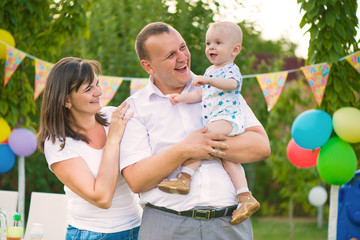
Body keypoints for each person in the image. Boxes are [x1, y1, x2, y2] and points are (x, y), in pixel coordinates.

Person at [120, 22, 270, 240]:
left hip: (229, 224)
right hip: (167, 226)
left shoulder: (219, 87)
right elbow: (136, 180)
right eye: (171, 54)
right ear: (149, 67)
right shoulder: (134, 108)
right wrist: (184, 150)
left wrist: (204, 147)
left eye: (183, 47)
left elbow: (260, 146)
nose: (182, 57)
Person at [157, 21, 260, 225]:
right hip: (217, 119)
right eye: (208, 43)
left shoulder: (230, 69)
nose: (211, 47)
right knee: (228, 159)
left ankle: (185, 178)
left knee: (202, 140)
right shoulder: (211, 70)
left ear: (235, 49)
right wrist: (182, 99)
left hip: (226, 118)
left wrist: (208, 80)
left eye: (218, 42)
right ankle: (245, 197)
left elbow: (232, 85)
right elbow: (200, 94)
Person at [37, 57, 142, 240]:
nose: (99, 92)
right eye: (88, 89)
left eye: (97, 84)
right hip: (93, 234)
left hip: (138, 227)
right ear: (66, 101)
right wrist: (113, 139)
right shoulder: (58, 143)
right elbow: (101, 198)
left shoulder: (112, 116)